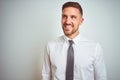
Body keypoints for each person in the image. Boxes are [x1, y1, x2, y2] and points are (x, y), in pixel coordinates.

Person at [42, 1, 107, 80]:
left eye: (73, 17)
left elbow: (101, 77)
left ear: (81, 21)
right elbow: (46, 75)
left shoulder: (95, 48)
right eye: (64, 16)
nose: (67, 22)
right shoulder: (50, 46)